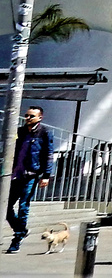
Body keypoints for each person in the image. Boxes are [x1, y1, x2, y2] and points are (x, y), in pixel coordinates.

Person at [5, 106, 55, 254]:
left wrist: (46, 175)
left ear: (40, 118)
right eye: (26, 116)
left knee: (23, 206)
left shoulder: (44, 133)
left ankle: (17, 239)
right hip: (16, 174)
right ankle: (21, 229)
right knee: (5, 206)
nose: (27, 118)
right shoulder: (20, 131)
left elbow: (48, 154)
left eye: (31, 116)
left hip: (31, 174)